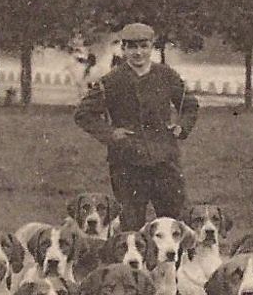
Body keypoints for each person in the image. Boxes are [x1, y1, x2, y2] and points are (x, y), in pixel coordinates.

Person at [74, 22, 200, 230]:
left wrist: (181, 127)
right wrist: (111, 134)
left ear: (152, 47)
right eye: (132, 47)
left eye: (143, 46)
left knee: (174, 224)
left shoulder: (166, 76)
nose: (138, 53)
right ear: (123, 49)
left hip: (165, 162)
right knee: (131, 226)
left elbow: (190, 105)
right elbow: (83, 113)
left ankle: (174, 263)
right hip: (127, 164)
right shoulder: (112, 81)